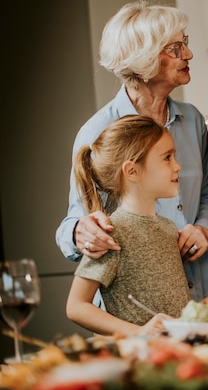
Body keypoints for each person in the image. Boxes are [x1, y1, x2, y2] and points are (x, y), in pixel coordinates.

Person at [55, 0, 208, 300]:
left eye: (184, 43)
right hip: (136, 304)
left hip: (200, 292)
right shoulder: (97, 131)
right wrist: (81, 232)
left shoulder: (193, 120)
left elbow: (207, 197)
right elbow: (73, 223)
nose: (189, 54)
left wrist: (204, 229)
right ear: (144, 59)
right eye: (175, 48)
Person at [66, 115, 190, 336]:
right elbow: (76, 307)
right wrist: (139, 332)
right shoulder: (112, 233)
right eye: (167, 158)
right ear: (132, 171)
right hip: (138, 363)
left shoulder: (169, 229)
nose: (178, 166)